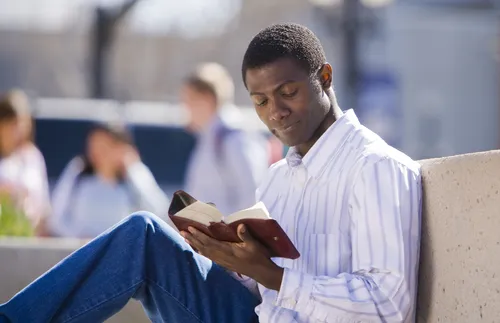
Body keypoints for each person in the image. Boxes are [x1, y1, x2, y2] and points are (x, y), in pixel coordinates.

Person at [0, 23, 421, 323]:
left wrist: (271, 274)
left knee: (142, 237)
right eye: (259, 101)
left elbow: (387, 306)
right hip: (254, 313)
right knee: (143, 236)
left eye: (288, 92)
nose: (275, 111)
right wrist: (223, 255)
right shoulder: (279, 177)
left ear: (325, 77)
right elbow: (260, 286)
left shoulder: (377, 167)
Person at [47, 122, 170, 238]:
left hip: (121, 253)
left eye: (105, 146)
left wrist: (133, 170)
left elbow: (159, 212)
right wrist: (78, 237)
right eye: (93, 145)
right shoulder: (78, 171)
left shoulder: (135, 174)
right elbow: (56, 217)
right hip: (82, 252)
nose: (97, 151)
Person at [182, 62, 269, 215]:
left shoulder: (233, 136)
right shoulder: (210, 137)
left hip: (227, 237)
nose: (185, 108)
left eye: (189, 100)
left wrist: (233, 235)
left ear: (206, 99)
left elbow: (252, 194)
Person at [0, 90, 50, 232]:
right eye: (13, 124)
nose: (19, 131)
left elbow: (43, 204)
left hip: (29, 238)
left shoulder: (32, 157)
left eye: (24, 123)